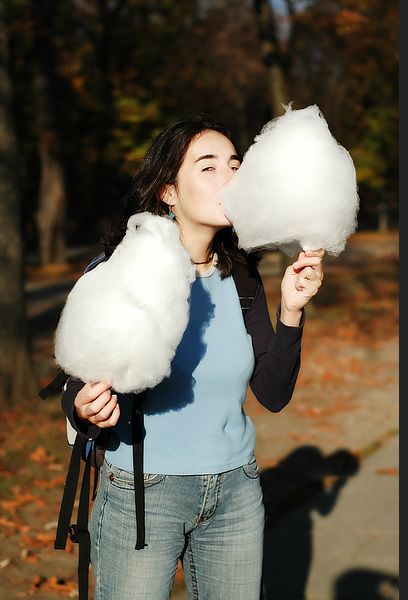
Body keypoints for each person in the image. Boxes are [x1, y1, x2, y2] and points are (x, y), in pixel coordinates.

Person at [61, 114, 324, 600]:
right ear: (168, 192)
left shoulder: (241, 274)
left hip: (237, 491)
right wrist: (83, 405)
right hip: (144, 492)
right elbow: (76, 381)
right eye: (208, 166)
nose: (229, 176)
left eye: (234, 163)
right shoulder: (124, 269)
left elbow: (272, 393)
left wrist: (291, 310)